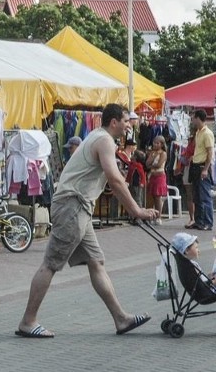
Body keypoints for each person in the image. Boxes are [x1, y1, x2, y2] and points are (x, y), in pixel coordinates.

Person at [16, 103, 159, 338]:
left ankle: (121, 319)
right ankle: (28, 321)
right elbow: (114, 179)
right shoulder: (104, 141)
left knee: (96, 261)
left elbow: (108, 175)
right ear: (114, 122)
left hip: (80, 207)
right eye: (125, 121)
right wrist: (137, 210)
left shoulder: (99, 137)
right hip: (72, 206)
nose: (128, 125)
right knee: (51, 264)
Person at [171, 232, 216, 326]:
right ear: (186, 250)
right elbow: (202, 286)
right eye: (196, 248)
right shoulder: (190, 266)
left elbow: (199, 281)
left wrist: (210, 276)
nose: (198, 250)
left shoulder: (185, 264)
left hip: (199, 291)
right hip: (205, 294)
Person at [189, 109, 214, 231]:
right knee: (197, 196)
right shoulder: (198, 132)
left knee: (204, 196)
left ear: (198, 118)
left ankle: (208, 222)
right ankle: (199, 221)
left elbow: (210, 152)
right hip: (195, 165)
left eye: (193, 117)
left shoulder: (207, 133)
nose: (192, 120)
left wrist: (206, 169)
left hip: (202, 166)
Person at [145, 135, 168, 225]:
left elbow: (159, 164)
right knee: (152, 196)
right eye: (154, 142)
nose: (155, 144)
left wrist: (151, 164)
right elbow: (147, 163)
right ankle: (151, 215)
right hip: (152, 176)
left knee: (158, 197)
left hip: (160, 176)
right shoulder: (152, 152)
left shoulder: (163, 153)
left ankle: (158, 216)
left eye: (157, 143)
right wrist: (151, 158)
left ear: (161, 144)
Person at [179, 125, 196, 229]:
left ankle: (196, 217)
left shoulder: (201, 137)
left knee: (195, 194)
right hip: (189, 167)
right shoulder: (191, 140)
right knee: (190, 194)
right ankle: (192, 217)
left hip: (196, 167)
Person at [125, 149, 147, 224]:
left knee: (137, 200)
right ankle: (134, 216)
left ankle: (139, 217)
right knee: (133, 199)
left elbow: (142, 175)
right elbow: (129, 175)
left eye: (133, 155)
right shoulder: (132, 164)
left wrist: (142, 183)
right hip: (132, 184)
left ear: (136, 158)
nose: (132, 156)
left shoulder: (138, 166)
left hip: (137, 185)